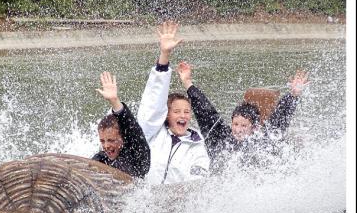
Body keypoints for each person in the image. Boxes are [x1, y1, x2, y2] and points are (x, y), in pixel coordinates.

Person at [177, 61, 309, 175]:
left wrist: (293, 95)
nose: (238, 130)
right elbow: (205, 110)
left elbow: (279, 119)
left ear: (255, 127)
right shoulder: (220, 136)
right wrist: (187, 82)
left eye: (244, 126)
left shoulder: (263, 140)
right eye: (235, 124)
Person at [137, 21, 210, 185]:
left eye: (186, 112)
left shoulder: (197, 146)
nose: (183, 115)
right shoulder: (152, 132)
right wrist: (164, 55)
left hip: (176, 205)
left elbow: (198, 182)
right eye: (177, 112)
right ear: (167, 115)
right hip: (145, 200)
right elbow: (153, 102)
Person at [92, 71, 150, 178]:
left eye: (111, 140)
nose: (106, 146)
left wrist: (115, 102)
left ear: (123, 138)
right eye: (102, 141)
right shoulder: (100, 159)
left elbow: (133, 130)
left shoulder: (138, 157)